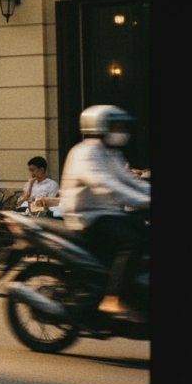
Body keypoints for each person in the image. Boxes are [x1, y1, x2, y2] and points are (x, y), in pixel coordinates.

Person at [60, 105, 150, 320]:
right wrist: (144, 200)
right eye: (116, 125)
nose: (121, 130)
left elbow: (129, 181)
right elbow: (106, 185)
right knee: (131, 243)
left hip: (110, 214)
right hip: (88, 216)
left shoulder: (112, 153)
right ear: (101, 126)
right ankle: (113, 298)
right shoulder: (85, 153)